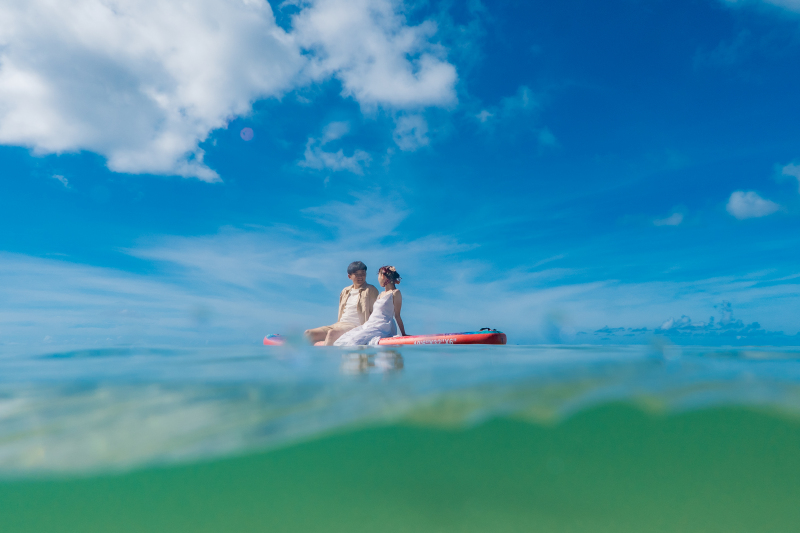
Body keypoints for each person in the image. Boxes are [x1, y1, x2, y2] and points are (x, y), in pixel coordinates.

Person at [304, 261, 380, 346]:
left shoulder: (370, 290)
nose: (360, 277)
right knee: (308, 334)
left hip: (356, 326)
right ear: (349, 276)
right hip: (339, 325)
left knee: (332, 333)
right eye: (357, 274)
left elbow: (376, 312)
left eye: (363, 274)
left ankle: (326, 355)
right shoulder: (345, 291)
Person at [334, 265, 406, 346]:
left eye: (378, 276)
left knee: (355, 341)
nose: (378, 279)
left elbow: (397, 315)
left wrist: (403, 334)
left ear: (382, 276)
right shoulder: (381, 294)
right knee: (343, 339)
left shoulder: (395, 293)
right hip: (370, 323)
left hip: (381, 325)